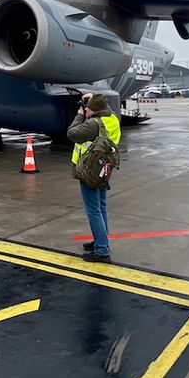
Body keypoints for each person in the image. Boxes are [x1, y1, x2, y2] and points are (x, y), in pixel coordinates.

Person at [68, 93, 121, 263]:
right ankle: (100, 241)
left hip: (89, 171)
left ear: (94, 110)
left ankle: (102, 250)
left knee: (93, 210)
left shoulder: (93, 124)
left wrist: (80, 115)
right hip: (104, 168)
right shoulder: (112, 117)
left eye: (89, 107)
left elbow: (72, 133)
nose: (87, 109)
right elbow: (105, 107)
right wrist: (95, 99)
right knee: (101, 207)